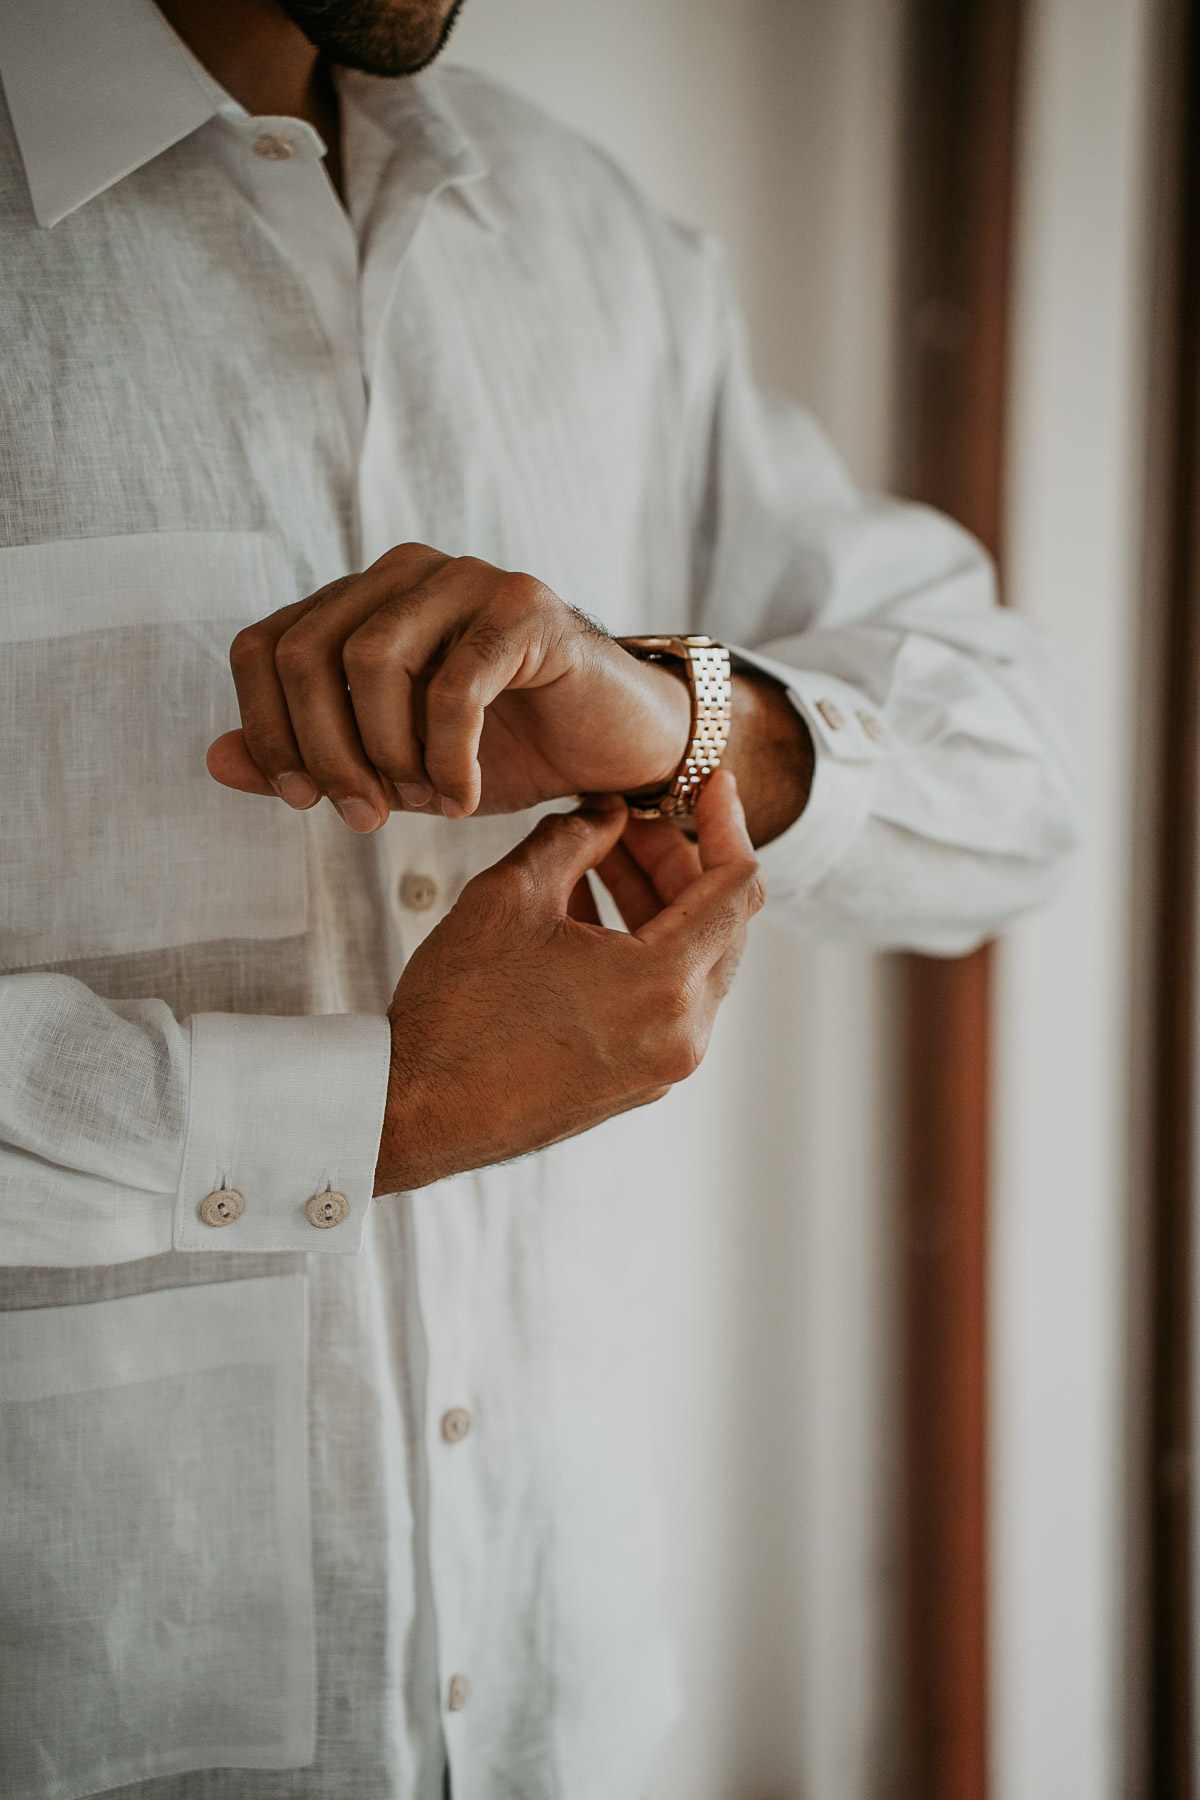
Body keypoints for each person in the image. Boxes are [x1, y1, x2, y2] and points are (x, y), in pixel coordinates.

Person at [0, 1, 1080, 1795]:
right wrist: (383, 1111)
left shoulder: (592, 239)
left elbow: (1025, 784)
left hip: (568, 1725)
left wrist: (678, 720)